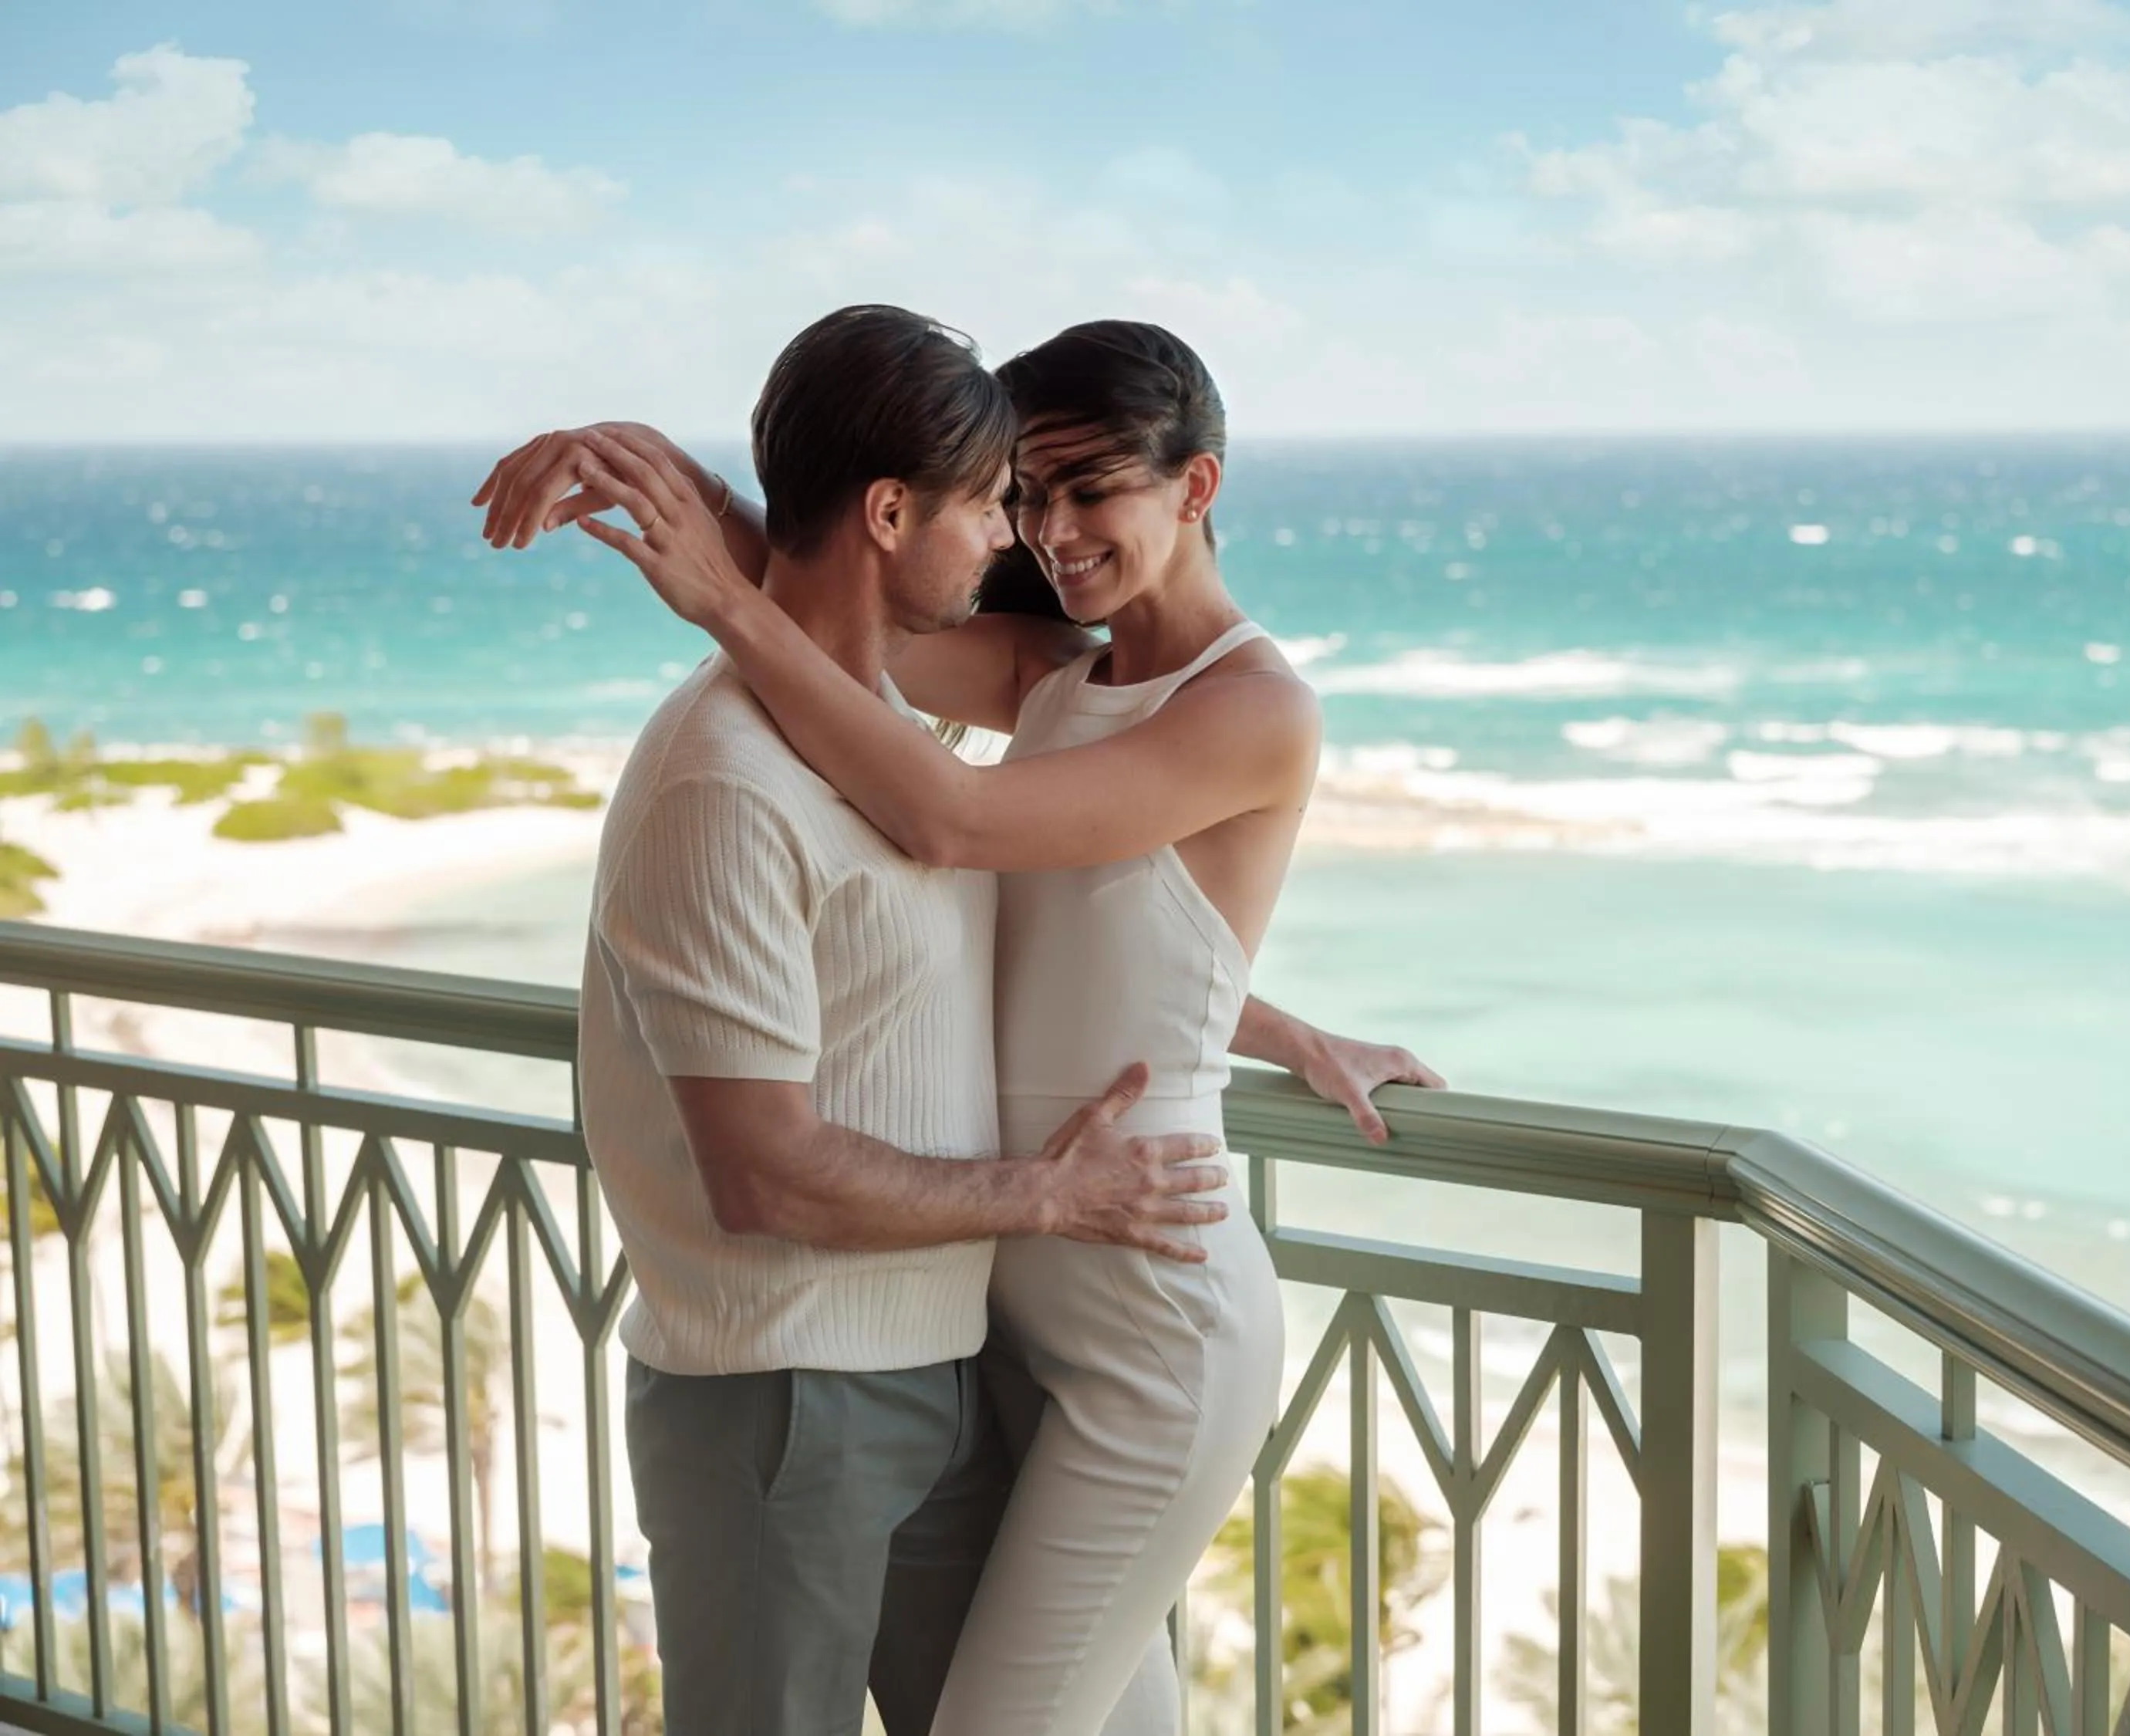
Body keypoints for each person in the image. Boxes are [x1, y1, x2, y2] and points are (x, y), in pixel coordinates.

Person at [473, 306, 1442, 1736]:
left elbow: (950, 812)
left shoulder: (1255, 709)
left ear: (1200, 484)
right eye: (1023, 495)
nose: (1045, 532)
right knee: (1118, 1721)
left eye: (1088, 488)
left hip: (1141, 1279)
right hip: (1000, 1295)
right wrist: (675, 483)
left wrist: (721, 598)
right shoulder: (1052, 670)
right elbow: (847, 604)